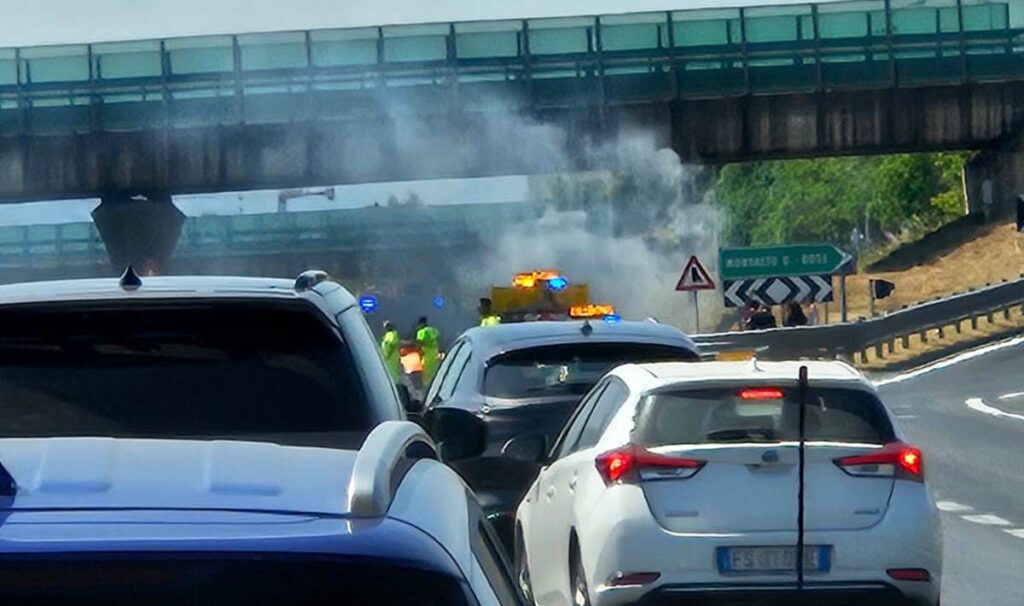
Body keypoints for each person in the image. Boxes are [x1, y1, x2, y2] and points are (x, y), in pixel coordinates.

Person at [415, 317, 441, 385]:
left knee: (426, 372)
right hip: (434, 353)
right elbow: (438, 337)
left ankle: (427, 386)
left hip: (426, 355)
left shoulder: (421, 332)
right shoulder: (433, 330)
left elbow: (419, 343)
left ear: (421, 324)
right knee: (434, 370)